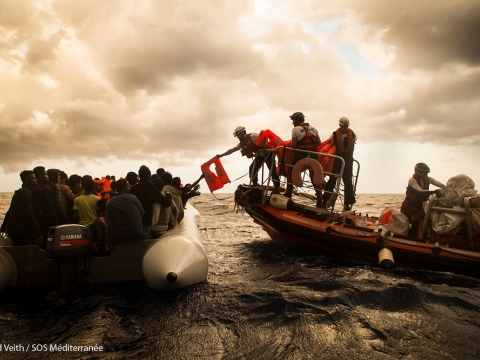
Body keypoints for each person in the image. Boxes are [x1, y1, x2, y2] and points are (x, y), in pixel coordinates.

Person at [217, 126, 280, 192]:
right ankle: (255, 185)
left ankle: (277, 187)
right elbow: (232, 150)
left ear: (242, 133)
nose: (237, 137)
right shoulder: (241, 144)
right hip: (260, 155)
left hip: (268, 152)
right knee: (252, 168)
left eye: (238, 135)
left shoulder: (252, 136)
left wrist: (265, 146)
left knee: (272, 170)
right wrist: (221, 155)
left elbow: (265, 138)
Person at [284, 112, 322, 203]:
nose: (292, 122)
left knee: (291, 172)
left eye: (293, 120)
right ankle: (320, 198)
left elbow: (293, 146)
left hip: (302, 155)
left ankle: (288, 193)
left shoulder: (295, 130)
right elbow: (319, 143)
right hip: (314, 155)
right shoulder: (314, 129)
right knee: (315, 175)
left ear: (297, 120)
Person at [401, 163, 445, 237]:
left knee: (416, 225)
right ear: (418, 172)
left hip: (420, 206)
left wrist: (448, 188)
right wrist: (435, 192)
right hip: (408, 206)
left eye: (427, 173)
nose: (426, 175)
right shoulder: (412, 180)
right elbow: (420, 192)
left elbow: (440, 185)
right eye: (424, 173)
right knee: (403, 224)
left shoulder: (428, 179)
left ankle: (413, 240)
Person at [322, 117, 357, 211]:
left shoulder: (352, 134)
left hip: (348, 160)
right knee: (332, 179)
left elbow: (353, 145)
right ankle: (324, 201)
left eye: (346, 126)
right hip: (338, 159)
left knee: (348, 182)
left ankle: (347, 204)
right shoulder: (334, 135)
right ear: (340, 125)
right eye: (343, 126)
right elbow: (328, 143)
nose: (345, 128)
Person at [1, 171, 43, 247]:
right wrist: (38, 233)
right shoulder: (25, 193)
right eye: (33, 178)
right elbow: (30, 214)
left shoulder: (20, 192)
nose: (36, 180)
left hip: (15, 230)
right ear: (27, 180)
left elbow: (9, 212)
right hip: (21, 231)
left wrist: (2, 228)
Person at [130, 166, 172, 239]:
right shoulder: (153, 190)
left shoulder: (133, 189)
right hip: (146, 223)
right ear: (149, 176)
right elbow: (167, 203)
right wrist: (168, 194)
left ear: (139, 176)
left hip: (134, 222)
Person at [105, 179, 145, 249]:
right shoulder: (133, 198)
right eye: (128, 186)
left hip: (121, 236)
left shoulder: (109, 203)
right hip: (137, 234)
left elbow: (110, 224)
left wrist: (109, 241)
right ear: (124, 188)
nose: (130, 188)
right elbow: (142, 213)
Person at [32, 166, 58, 244]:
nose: (47, 176)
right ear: (40, 176)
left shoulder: (30, 189)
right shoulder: (46, 189)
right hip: (44, 222)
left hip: (32, 223)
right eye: (45, 174)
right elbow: (50, 208)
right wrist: (55, 224)